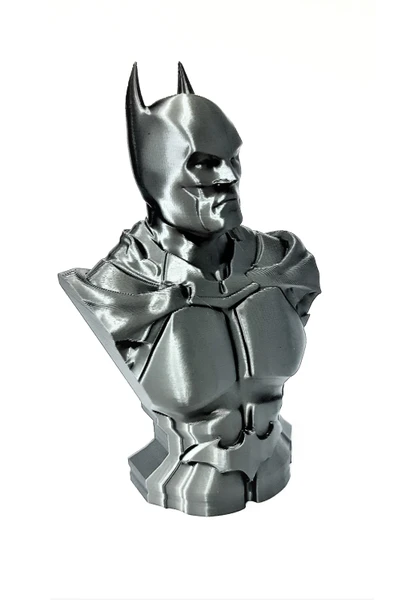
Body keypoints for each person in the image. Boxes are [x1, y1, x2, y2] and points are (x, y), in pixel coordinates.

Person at [58, 62, 321, 516]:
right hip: (182, 479)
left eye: (232, 158)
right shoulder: (117, 292)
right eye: (202, 163)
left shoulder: (283, 262)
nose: (228, 176)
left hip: (279, 463)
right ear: (157, 174)